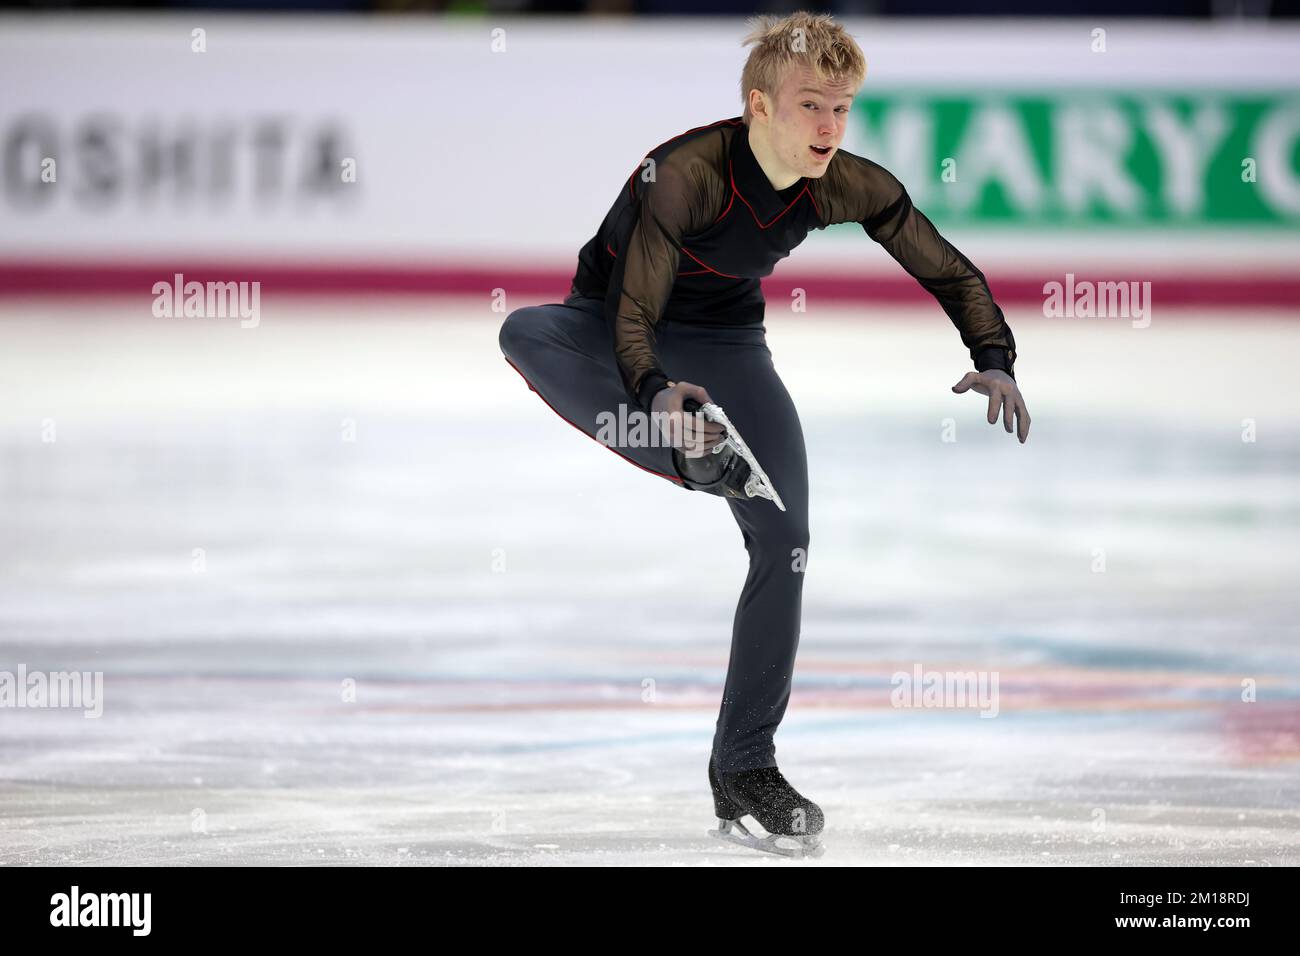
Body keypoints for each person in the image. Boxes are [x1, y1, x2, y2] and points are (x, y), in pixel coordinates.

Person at [498, 11, 1030, 857]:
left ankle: (744, 767)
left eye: (842, 108)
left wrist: (993, 356)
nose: (829, 126)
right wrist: (653, 391)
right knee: (522, 330)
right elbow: (632, 310)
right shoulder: (685, 174)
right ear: (760, 107)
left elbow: (946, 268)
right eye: (811, 105)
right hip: (610, 332)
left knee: (787, 542)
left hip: (728, 343)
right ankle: (694, 456)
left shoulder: (847, 183)